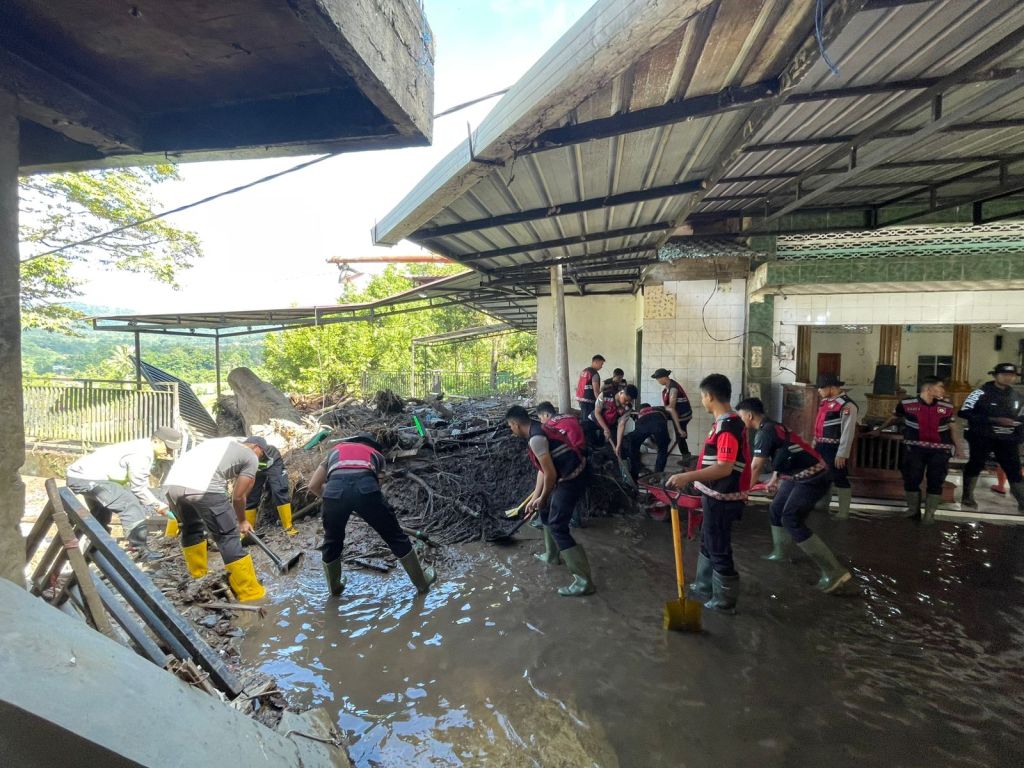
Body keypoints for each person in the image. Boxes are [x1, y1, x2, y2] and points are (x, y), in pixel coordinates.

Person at [737, 398, 852, 594]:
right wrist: (775, 478)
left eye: (740, 417)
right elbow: (782, 454)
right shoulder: (772, 426)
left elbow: (756, 466)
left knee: (791, 518)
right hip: (794, 475)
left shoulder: (764, 432)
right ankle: (780, 552)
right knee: (776, 509)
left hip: (813, 477)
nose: (740, 421)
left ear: (749, 415)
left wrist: (743, 492)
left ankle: (835, 572)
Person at [307, 433, 436, 596]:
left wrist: (333, 497)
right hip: (366, 490)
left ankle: (335, 588)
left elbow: (313, 485)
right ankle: (422, 584)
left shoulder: (335, 451)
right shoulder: (376, 455)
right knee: (395, 536)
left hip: (334, 493)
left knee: (332, 541)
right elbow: (377, 485)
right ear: (371, 445)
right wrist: (359, 502)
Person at [667, 374, 750, 613]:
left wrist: (687, 477)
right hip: (714, 495)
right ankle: (704, 585)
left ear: (709, 396)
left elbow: (724, 467)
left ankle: (725, 600)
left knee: (719, 544)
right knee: (708, 538)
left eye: (702, 396)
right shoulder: (723, 423)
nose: (702, 401)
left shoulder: (728, 426)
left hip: (723, 497)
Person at [164, 437, 267, 602]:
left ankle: (198, 575)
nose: (260, 458)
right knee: (228, 536)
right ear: (256, 447)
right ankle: (250, 593)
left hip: (172, 487)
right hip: (203, 487)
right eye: (262, 454)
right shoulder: (251, 456)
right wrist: (242, 521)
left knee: (192, 528)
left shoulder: (219, 443)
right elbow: (239, 496)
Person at [506, 405, 593, 596]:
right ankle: (552, 555)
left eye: (510, 427)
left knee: (557, 526)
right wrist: (536, 498)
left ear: (515, 423)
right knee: (544, 511)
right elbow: (543, 470)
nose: (511, 431)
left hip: (573, 477)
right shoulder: (537, 429)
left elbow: (551, 475)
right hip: (564, 475)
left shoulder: (536, 439)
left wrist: (543, 497)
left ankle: (583, 582)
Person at [66, 426, 182, 561]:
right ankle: (139, 550)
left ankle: (96, 548)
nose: (169, 452)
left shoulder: (143, 448)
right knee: (128, 503)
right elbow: (138, 488)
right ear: (156, 441)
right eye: (167, 448)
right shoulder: (141, 454)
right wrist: (158, 505)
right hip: (87, 478)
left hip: (84, 477)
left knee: (102, 513)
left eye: (172, 450)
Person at [874, 376, 956, 523]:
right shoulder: (907, 404)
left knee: (936, 481)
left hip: (940, 450)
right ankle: (913, 510)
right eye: (940, 387)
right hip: (914, 449)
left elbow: (953, 427)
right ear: (928, 388)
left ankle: (929, 515)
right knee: (911, 479)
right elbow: (894, 418)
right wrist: (879, 429)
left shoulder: (947, 407)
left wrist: (959, 448)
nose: (943, 390)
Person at [958, 363, 1024, 510]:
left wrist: (1019, 437)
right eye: (1004, 375)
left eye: (1011, 375)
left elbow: (1022, 418)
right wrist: (993, 420)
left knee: (1014, 468)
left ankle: (1022, 501)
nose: (1008, 378)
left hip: (1007, 439)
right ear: (995, 375)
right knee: (976, 464)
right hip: (982, 436)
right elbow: (964, 412)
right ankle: (967, 497)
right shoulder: (979, 393)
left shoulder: (1017, 396)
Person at [812, 373, 858, 518]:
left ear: (831, 388)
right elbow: (819, 424)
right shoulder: (825, 403)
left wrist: (842, 453)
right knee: (821, 475)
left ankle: (843, 511)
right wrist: (814, 442)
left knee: (839, 477)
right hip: (820, 445)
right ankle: (822, 505)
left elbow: (848, 431)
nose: (819, 391)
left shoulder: (847, 405)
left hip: (835, 447)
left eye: (821, 388)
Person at [241, 436, 297, 535]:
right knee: (251, 496)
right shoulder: (238, 455)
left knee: (279, 489)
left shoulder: (268, 452)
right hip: (253, 467)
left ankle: (288, 527)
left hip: (272, 462)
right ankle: (246, 533)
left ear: (256, 447)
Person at [617, 403, 671, 482]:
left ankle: (635, 473)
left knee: (632, 443)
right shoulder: (660, 408)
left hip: (642, 423)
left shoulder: (640, 414)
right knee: (663, 450)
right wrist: (679, 430)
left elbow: (646, 436)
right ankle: (656, 477)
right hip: (659, 422)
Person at [652, 369, 693, 459]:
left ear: (664, 377)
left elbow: (671, 408)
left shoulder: (673, 388)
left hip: (683, 415)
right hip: (678, 412)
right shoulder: (668, 386)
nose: (658, 381)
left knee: (680, 437)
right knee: (655, 412)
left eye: (658, 379)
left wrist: (679, 429)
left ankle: (686, 457)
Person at [587, 384, 638, 451]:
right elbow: (597, 413)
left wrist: (618, 446)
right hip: (595, 421)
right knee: (587, 436)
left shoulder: (628, 407)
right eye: (625, 400)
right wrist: (605, 429)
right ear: (621, 392)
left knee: (615, 447)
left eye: (629, 401)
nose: (627, 403)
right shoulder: (604, 395)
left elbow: (621, 425)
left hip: (610, 424)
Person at [575, 355, 605, 423]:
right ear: (596, 362)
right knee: (588, 422)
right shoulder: (594, 374)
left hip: (581, 399)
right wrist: (600, 403)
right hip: (589, 401)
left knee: (583, 419)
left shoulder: (584, 371)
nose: (601, 366)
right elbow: (596, 391)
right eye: (601, 364)